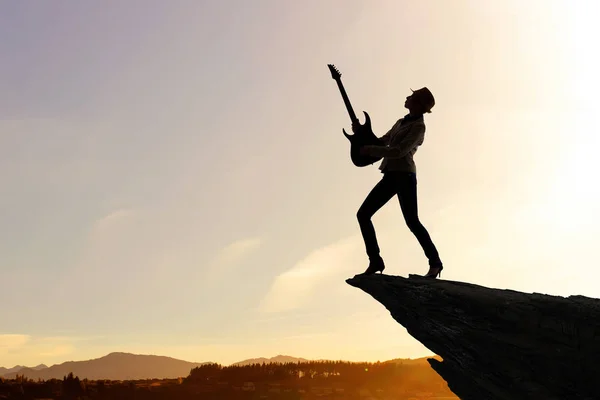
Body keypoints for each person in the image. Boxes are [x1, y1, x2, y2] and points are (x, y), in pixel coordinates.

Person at [353, 87, 443, 278]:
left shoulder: (419, 127)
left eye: (411, 96)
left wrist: (369, 150)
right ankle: (375, 260)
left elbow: (398, 150)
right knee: (363, 215)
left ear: (418, 104)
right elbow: (383, 141)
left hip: (404, 176)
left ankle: (435, 263)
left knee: (412, 222)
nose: (407, 97)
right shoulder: (401, 122)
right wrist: (361, 134)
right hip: (391, 175)